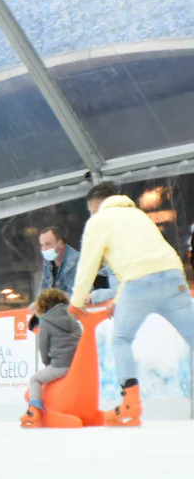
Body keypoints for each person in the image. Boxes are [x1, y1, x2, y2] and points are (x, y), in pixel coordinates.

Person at [70, 182, 194, 426]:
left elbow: (88, 264)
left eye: (91, 210)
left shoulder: (99, 220)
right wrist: (118, 299)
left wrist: (76, 302)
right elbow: (141, 256)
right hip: (172, 275)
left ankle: (130, 403)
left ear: (97, 205)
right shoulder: (138, 215)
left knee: (122, 339)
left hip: (139, 282)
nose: (91, 214)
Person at [20, 288, 82, 427]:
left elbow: (43, 347)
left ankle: (33, 411)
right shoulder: (73, 319)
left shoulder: (46, 322)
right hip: (77, 365)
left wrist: (47, 362)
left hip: (60, 365)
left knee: (35, 379)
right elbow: (79, 339)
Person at [39, 226, 79, 295]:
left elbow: (76, 296)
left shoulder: (76, 261)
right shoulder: (49, 259)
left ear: (60, 244)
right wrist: (38, 302)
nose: (44, 249)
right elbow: (44, 287)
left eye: (48, 244)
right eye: (42, 245)